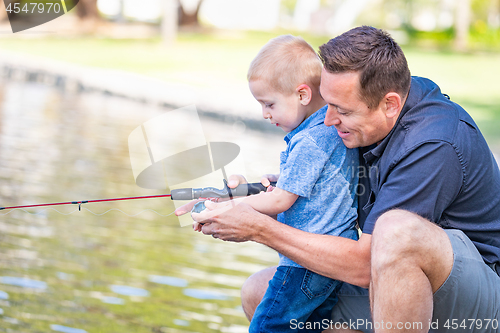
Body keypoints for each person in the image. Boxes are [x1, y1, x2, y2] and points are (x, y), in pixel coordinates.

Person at [176, 26, 500, 333]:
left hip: (477, 301)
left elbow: (365, 264)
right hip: (399, 284)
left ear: (390, 105)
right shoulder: (374, 110)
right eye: (326, 104)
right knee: (260, 293)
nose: (329, 120)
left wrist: (259, 228)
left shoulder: (431, 144)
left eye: (341, 110)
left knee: (396, 231)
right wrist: (251, 199)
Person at [194, 35, 359, 332]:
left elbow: (280, 201)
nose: (264, 113)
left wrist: (232, 205)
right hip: (328, 266)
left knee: (267, 326)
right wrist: (286, 179)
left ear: (303, 95)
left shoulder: (309, 140)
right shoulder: (328, 131)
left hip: (304, 269)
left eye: (269, 103)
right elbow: (324, 183)